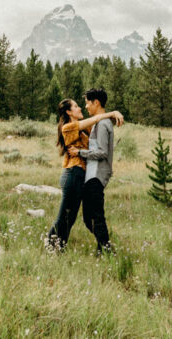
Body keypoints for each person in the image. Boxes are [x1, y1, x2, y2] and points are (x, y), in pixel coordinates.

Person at [46, 99, 123, 251]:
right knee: (65, 216)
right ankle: (51, 247)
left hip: (81, 175)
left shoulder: (83, 129)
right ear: (69, 112)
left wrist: (114, 118)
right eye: (75, 106)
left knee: (71, 218)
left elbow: (99, 125)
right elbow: (95, 119)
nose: (80, 107)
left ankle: (58, 248)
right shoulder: (68, 127)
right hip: (73, 174)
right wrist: (113, 112)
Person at [69, 88, 118, 254]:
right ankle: (103, 247)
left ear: (96, 102)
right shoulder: (99, 122)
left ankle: (105, 249)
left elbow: (103, 152)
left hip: (97, 175)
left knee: (95, 215)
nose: (86, 106)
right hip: (92, 175)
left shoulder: (103, 124)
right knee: (88, 217)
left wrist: (80, 153)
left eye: (88, 103)